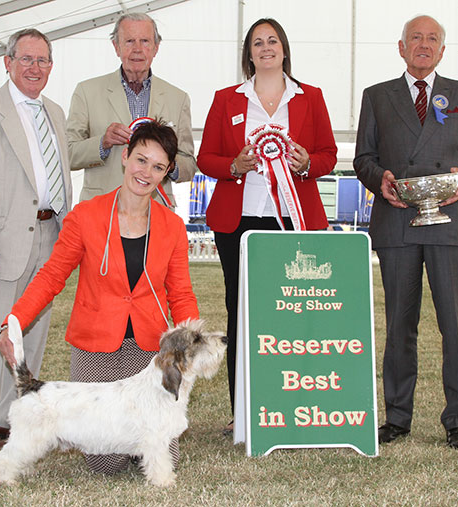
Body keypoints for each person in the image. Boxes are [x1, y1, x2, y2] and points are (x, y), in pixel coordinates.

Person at [0, 120, 199, 474]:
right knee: (105, 462)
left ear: (167, 172)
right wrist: (12, 323)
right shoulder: (85, 217)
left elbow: (180, 293)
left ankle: (141, 444)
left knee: (160, 449)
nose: (145, 173)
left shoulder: (172, 227)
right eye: (140, 160)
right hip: (96, 344)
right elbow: (51, 277)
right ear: (125, 157)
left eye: (157, 167)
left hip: (149, 349)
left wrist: (192, 340)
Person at [197, 18, 337, 433]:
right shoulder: (227, 99)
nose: (265, 48)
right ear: (249, 53)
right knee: (241, 312)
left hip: (294, 221)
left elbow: (328, 154)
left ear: (284, 49)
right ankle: (242, 412)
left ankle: (292, 405)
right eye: (257, 42)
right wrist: (235, 166)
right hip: (237, 223)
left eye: (272, 40)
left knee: (293, 312)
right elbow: (207, 158)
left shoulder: (311, 97)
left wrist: (307, 163)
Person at [354, 15, 458, 448]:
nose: (423, 45)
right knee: (399, 325)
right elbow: (363, 156)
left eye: (432, 39)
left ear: (443, 50)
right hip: (397, 221)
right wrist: (379, 178)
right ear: (400, 48)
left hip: (452, 224)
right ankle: (397, 417)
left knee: (456, 326)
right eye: (415, 38)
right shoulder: (377, 96)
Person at [0, 29, 72, 450]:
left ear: (51, 67)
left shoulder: (56, 112)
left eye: (42, 60)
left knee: (32, 331)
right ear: (7, 63)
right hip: (2, 238)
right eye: (26, 59)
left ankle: (9, 418)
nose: (35, 68)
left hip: (50, 235)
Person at [67, 12, 197, 208]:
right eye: (129, 41)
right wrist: (103, 143)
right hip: (101, 209)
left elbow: (188, 165)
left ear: (156, 48)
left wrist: (168, 162)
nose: (137, 49)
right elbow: (67, 154)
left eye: (145, 41)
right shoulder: (86, 91)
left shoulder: (178, 98)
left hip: (157, 211)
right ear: (116, 47)